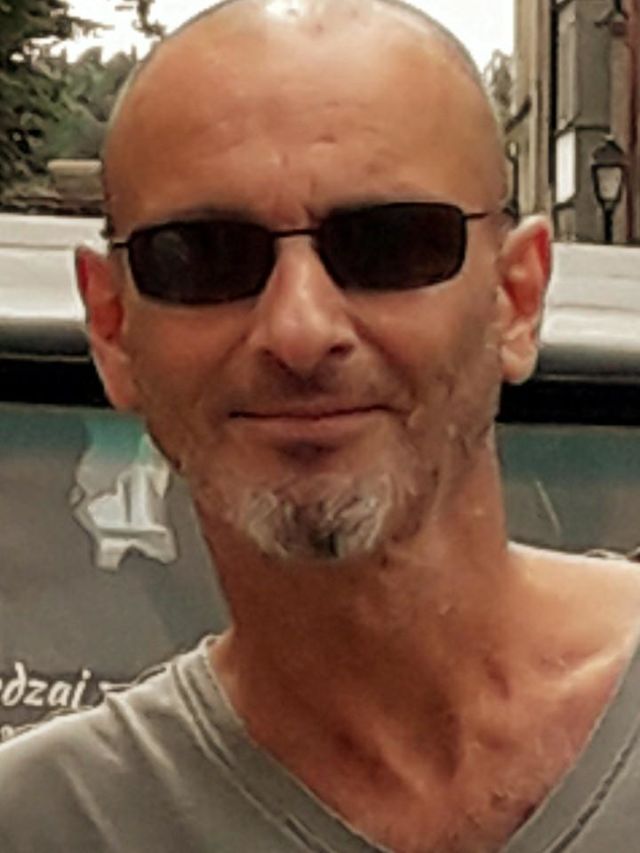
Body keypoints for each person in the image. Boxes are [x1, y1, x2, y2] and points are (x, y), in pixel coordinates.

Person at [2, 1, 640, 851]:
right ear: (112, 328)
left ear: (515, 299)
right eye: (204, 255)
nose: (299, 330)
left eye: (389, 245)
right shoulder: (46, 822)